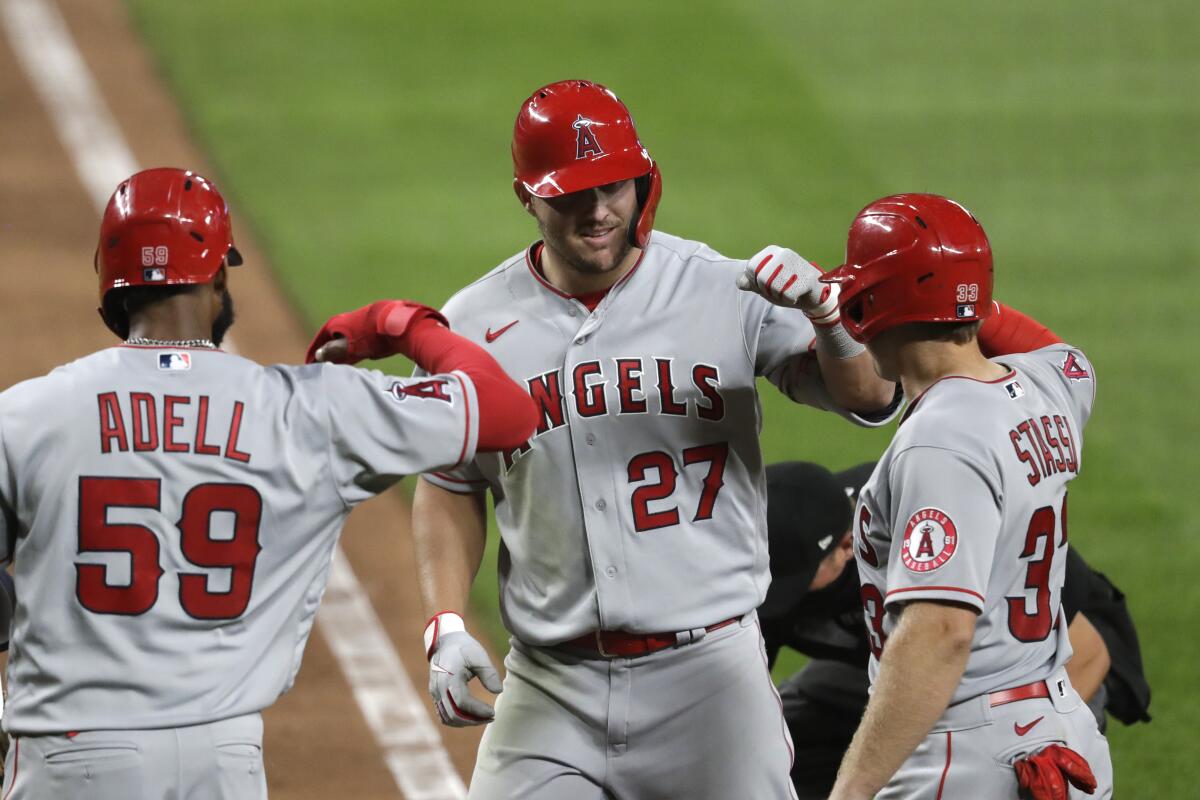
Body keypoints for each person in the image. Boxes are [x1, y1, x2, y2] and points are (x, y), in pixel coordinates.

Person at [390, 79, 901, 799]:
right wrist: (444, 621)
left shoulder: (722, 291)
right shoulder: (471, 326)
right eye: (570, 193)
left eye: (613, 186)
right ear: (525, 196)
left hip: (710, 679)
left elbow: (872, 398)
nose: (598, 211)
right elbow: (448, 487)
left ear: (642, 178)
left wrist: (829, 319)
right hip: (551, 685)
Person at [0, 167, 538, 798]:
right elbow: (508, 410)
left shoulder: (28, 413)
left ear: (111, 289)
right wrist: (399, 324)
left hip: (73, 758)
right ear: (218, 277)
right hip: (222, 759)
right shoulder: (310, 410)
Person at [811, 193, 1113, 799]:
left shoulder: (939, 441)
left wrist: (849, 793)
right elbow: (1058, 350)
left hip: (964, 751)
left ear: (872, 305)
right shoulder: (1051, 384)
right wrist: (958, 288)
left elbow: (941, 630)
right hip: (1061, 725)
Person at [759, 460, 1150, 800]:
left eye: (791, 582)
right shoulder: (778, 547)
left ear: (846, 547)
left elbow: (1088, 652)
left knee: (991, 771)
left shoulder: (933, 526)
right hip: (892, 662)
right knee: (777, 746)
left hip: (1042, 659)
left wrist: (1011, 745)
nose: (773, 595)